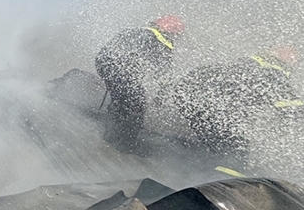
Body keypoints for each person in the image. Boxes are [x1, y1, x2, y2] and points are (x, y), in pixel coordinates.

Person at [173, 46, 301, 154]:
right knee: (236, 153)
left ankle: (182, 156)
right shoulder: (273, 74)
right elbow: (289, 105)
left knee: (210, 140)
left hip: (191, 100)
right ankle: (220, 179)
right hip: (214, 112)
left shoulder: (246, 62)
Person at [95, 15, 185, 152]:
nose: (177, 38)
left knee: (122, 99)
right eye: (177, 35)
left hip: (104, 61)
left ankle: (112, 134)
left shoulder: (137, 31)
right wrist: (161, 95)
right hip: (119, 66)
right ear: (171, 32)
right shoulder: (163, 42)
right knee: (136, 102)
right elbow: (163, 73)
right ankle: (125, 143)